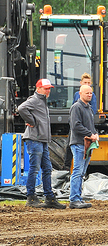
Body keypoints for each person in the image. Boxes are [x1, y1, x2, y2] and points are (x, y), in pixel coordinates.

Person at [17, 79, 66, 209]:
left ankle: (49, 197)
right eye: (46, 88)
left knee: (47, 169)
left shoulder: (42, 100)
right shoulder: (35, 99)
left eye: (49, 88)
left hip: (41, 140)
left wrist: (32, 121)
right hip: (35, 139)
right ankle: (31, 197)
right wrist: (32, 121)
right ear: (38, 89)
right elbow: (21, 108)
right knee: (35, 169)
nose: (48, 90)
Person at [68, 84, 98, 209]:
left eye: (91, 93)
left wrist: (95, 134)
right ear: (80, 94)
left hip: (87, 144)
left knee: (82, 172)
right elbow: (76, 126)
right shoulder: (76, 107)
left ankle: (78, 198)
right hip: (79, 144)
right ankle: (74, 199)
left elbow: (90, 126)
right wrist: (90, 134)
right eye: (87, 93)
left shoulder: (89, 108)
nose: (89, 95)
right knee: (78, 171)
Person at [64, 73, 97, 170]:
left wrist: (93, 133)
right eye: (85, 83)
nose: (87, 84)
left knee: (81, 168)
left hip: (85, 128)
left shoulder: (92, 98)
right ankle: (66, 166)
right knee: (69, 147)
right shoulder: (76, 103)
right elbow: (75, 111)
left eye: (88, 83)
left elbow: (92, 111)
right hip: (78, 128)